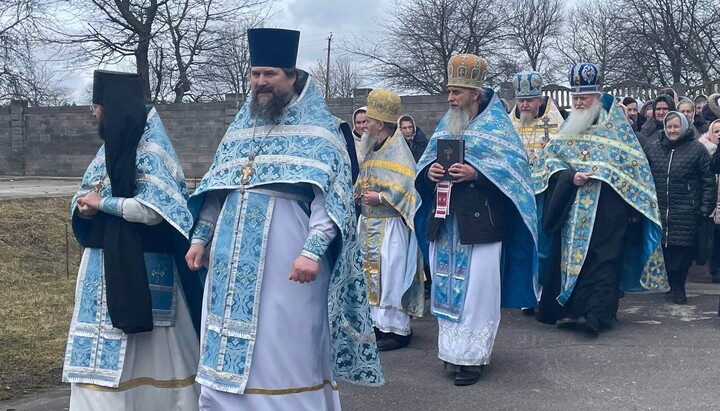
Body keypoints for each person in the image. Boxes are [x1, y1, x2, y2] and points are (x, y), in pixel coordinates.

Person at [184, 28, 383, 410]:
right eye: (256, 73)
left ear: (292, 77)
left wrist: (311, 252)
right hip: (229, 259)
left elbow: (332, 200)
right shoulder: (239, 128)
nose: (261, 82)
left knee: (283, 341)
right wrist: (200, 237)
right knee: (225, 338)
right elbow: (217, 189)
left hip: (289, 258)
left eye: (270, 74)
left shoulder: (322, 130)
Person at [63, 70, 203, 410]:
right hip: (100, 268)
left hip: (147, 267)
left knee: (155, 354)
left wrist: (104, 204)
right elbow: (86, 193)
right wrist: (84, 209)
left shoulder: (152, 148)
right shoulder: (109, 147)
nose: (93, 113)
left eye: (97, 106)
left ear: (113, 107)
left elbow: (156, 210)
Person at [416, 54, 538, 386]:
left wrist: (477, 173)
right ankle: (452, 352)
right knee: (446, 288)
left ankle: (473, 358)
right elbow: (423, 168)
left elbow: (516, 178)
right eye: (449, 91)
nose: (451, 98)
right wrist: (431, 172)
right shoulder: (447, 123)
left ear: (474, 92)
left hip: (482, 225)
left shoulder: (499, 127)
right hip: (446, 222)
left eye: (457, 92)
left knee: (477, 292)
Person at [534, 63, 669, 336]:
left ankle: (595, 315)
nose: (579, 103)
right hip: (571, 206)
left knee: (604, 261)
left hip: (609, 208)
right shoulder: (568, 129)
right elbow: (547, 164)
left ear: (597, 97)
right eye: (575, 98)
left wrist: (616, 188)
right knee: (571, 258)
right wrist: (570, 176)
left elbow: (634, 168)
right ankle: (571, 311)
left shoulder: (616, 129)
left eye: (584, 97)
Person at [355, 90, 424, 351]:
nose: (364, 126)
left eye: (368, 121)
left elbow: (408, 190)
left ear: (380, 125)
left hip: (391, 227)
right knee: (371, 276)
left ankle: (397, 331)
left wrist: (382, 198)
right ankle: (377, 325)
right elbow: (366, 178)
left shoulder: (399, 153)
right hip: (369, 225)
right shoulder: (372, 148)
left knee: (390, 276)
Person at [643, 111, 715, 304]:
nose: (672, 130)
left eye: (676, 126)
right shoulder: (654, 148)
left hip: (687, 209)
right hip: (660, 208)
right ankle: (668, 283)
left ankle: (679, 287)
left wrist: (704, 208)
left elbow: (708, 181)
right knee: (665, 250)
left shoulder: (697, 149)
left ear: (683, 126)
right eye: (669, 127)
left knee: (682, 252)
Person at [398, 114, 432, 297]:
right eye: (404, 128)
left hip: (420, 192)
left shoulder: (423, 144)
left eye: (409, 127)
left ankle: (429, 280)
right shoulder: (398, 148)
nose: (407, 131)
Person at [509, 71, 564, 166]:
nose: (524, 105)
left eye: (529, 101)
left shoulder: (553, 120)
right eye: (521, 101)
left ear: (540, 101)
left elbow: (565, 151)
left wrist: (552, 148)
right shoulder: (510, 123)